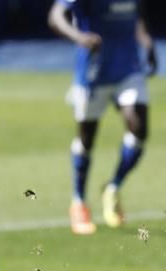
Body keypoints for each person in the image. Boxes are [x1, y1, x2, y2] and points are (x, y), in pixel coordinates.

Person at [47, 0, 157, 234]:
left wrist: (146, 41)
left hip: (129, 68)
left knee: (139, 128)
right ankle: (78, 202)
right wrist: (78, 37)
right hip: (94, 71)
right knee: (87, 138)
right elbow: (56, 16)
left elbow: (137, 13)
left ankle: (113, 187)